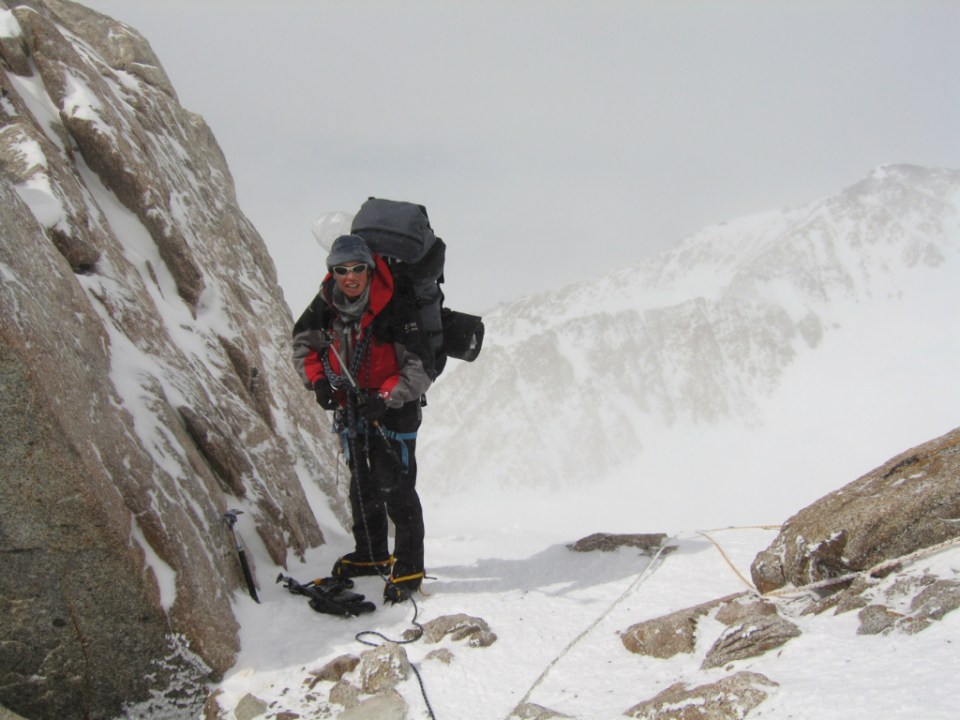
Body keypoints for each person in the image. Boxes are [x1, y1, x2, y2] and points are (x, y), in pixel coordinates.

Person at [292, 234, 432, 604]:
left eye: (357, 269)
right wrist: (319, 383)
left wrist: (386, 396)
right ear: (332, 272)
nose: (350, 277)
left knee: (396, 486)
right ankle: (371, 554)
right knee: (363, 484)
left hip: (395, 411)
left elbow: (421, 367)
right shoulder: (326, 303)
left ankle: (409, 567)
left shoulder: (396, 306)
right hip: (352, 407)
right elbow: (304, 344)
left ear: (370, 270)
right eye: (341, 270)